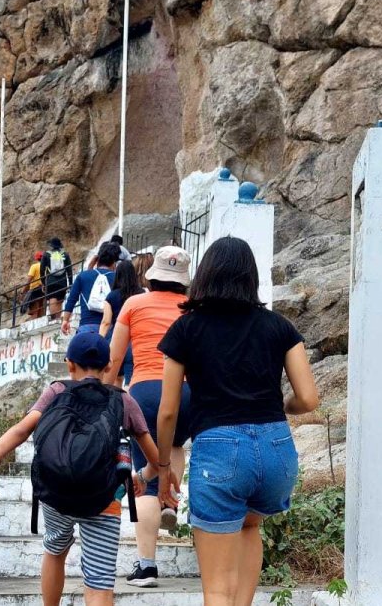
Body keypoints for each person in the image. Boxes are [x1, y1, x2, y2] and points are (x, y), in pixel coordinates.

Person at [155, 237, 320, 606]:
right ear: (250, 276)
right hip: (277, 449)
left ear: (204, 275)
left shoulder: (186, 329)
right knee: (249, 525)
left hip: (221, 451)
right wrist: (282, 407)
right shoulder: (279, 326)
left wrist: (164, 467)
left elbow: (168, 411)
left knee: (216, 591)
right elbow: (309, 399)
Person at [0, 332, 163, 606]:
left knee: (55, 551)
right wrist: (143, 477)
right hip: (104, 498)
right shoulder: (123, 401)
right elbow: (157, 461)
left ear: (69, 364)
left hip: (56, 493)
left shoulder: (56, 391)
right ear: (109, 367)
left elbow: (20, 431)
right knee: (100, 584)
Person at [104, 245, 193, 588]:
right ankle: (171, 501)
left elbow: (114, 360)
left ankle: (146, 567)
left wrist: (105, 394)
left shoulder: (133, 304)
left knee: (145, 480)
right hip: (185, 392)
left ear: (153, 275)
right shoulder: (193, 308)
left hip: (144, 393)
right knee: (175, 445)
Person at [99, 260, 144, 385]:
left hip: (116, 339)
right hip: (136, 339)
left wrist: (99, 340)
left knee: (116, 378)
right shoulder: (142, 294)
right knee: (131, 381)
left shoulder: (111, 296)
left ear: (117, 275)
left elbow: (106, 322)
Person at [61, 242, 120, 335]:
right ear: (114, 262)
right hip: (108, 330)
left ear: (98, 259)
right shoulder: (118, 278)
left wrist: (65, 320)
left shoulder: (83, 276)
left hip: (86, 328)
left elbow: (71, 300)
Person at [41, 238, 73, 319]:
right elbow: (69, 270)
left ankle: (53, 319)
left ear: (51, 246)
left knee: (52, 298)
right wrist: (70, 283)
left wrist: (43, 283)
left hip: (50, 281)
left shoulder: (46, 254)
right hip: (62, 282)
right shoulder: (65, 254)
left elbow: (42, 270)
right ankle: (58, 319)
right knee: (60, 300)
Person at [23, 251, 46, 319]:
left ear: (36, 258)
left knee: (33, 308)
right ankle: (41, 319)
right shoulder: (46, 267)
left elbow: (29, 279)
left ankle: (34, 319)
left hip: (34, 289)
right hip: (43, 288)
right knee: (41, 305)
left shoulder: (34, 266)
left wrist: (23, 290)